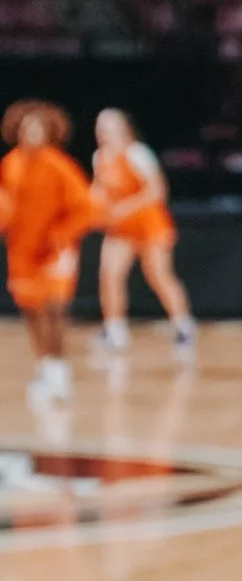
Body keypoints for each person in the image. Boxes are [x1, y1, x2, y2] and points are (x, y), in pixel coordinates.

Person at [0, 99, 95, 410]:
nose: (32, 134)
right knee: (31, 312)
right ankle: (43, 366)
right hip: (22, 252)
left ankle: (59, 370)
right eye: (27, 128)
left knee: (55, 311)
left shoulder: (59, 165)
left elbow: (85, 209)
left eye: (38, 129)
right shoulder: (11, 164)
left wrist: (61, 236)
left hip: (55, 252)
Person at [91, 107, 196, 359]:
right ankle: (115, 330)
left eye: (109, 126)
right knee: (110, 276)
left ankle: (183, 325)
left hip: (149, 225)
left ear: (124, 128)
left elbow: (157, 191)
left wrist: (125, 208)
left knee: (159, 275)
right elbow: (98, 190)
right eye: (100, 126)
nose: (103, 132)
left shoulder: (137, 154)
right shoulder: (100, 157)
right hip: (121, 229)